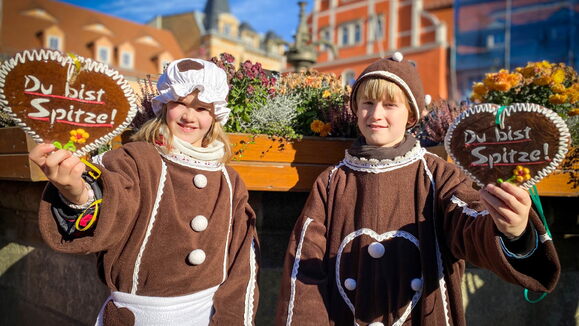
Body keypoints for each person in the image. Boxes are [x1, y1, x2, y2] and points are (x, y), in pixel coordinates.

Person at [275, 52, 560, 326]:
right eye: (367, 102)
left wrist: (510, 230)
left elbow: (467, 220)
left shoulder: (436, 173)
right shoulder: (332, 181)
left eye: (390, 105)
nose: (376, 114)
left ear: (411, 116)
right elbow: (305, 270)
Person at [30, 58, 259, 325]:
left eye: (201, 108)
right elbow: (114, 199)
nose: (189, 116)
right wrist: (76, 191)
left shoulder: (229, 180)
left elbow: (243, 262)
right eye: (180, 103)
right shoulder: (136, 160)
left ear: (215, 116)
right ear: (163, 106)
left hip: (207, 316)